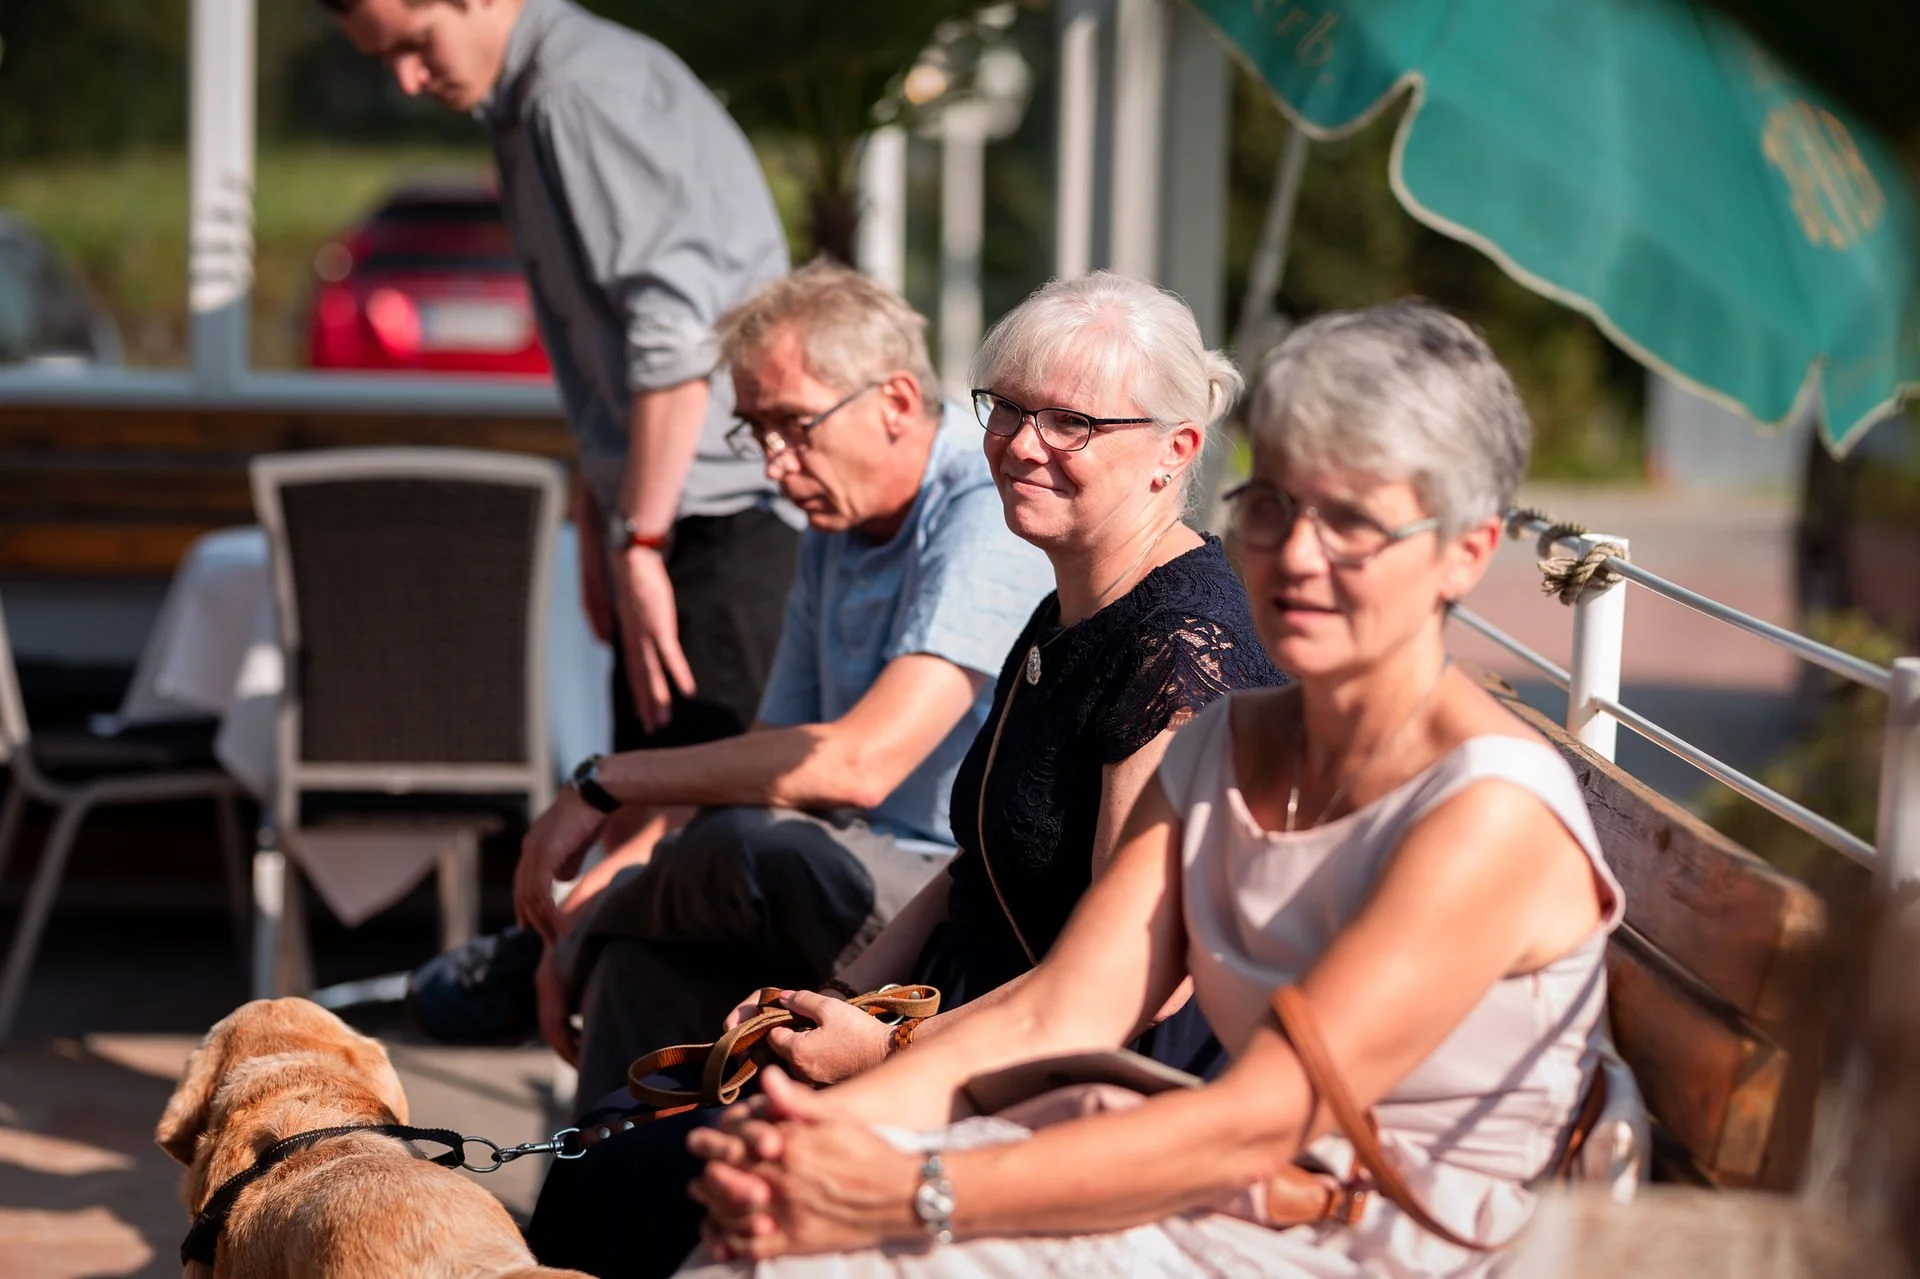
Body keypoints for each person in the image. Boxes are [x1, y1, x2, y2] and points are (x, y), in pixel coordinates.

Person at [682, 300, 1625, 1279]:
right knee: (752, 1234)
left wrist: (911, 1187)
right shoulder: (1225, 740)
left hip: (1360, 1240)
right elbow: (1061, 1013)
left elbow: (1256, 1116)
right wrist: (809, 1136)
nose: (1298, 556)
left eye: (1352, 524)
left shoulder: (1486, 809)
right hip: (1223, 1190)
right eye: (1274, 507)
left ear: (1464, 553)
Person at [524, 271, 1286, 1278]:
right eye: (1008, 409)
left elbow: (1123, 996)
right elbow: (971, 864)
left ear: (1173, 452)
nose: (1021, 444)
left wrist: (880, 1058)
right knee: (614, 1144)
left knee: (639, 1183)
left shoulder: (1180, 650)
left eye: (1071, 423)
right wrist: (831, 999)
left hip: (1064, 1095)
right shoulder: (1068, 605)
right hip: (959, 1029)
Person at [512, 261, 1054, 1104]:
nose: (773, 465)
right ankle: (605, 1211)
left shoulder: (985, 507)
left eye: (794, 426)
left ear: (898, 402)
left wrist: (607, 784)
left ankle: (504, 968)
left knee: (758, 850)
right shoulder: (835, 520)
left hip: (955, 906)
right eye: (757, 431)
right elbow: (768, 767)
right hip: (842, 878)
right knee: (636, 956)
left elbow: (856, 765)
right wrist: (590, 910)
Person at [327, 0, 799, 812]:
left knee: (710, 845)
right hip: (677, 509)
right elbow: (609, 348)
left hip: (719, 516)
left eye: (414, 44)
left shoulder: (574, 92)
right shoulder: (532, 95)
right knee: (658, 835)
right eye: (385, 60)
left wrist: (641, 537)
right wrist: (606, 505)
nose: (407, 80)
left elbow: (675, 333)